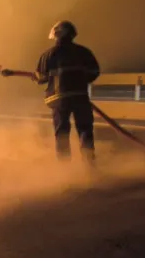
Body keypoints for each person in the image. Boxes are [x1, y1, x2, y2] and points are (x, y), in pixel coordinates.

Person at [33, 20, 101, 162]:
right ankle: (90, 164)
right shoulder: (84, 52)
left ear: (56, 35)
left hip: (58, 100)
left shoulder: (48, 55)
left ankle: (65, 167)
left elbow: (41, 78)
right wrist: (80, 82)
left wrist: (38, 78)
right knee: (85, 130)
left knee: (62, 133)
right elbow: (94, 72)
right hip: (80, 97)